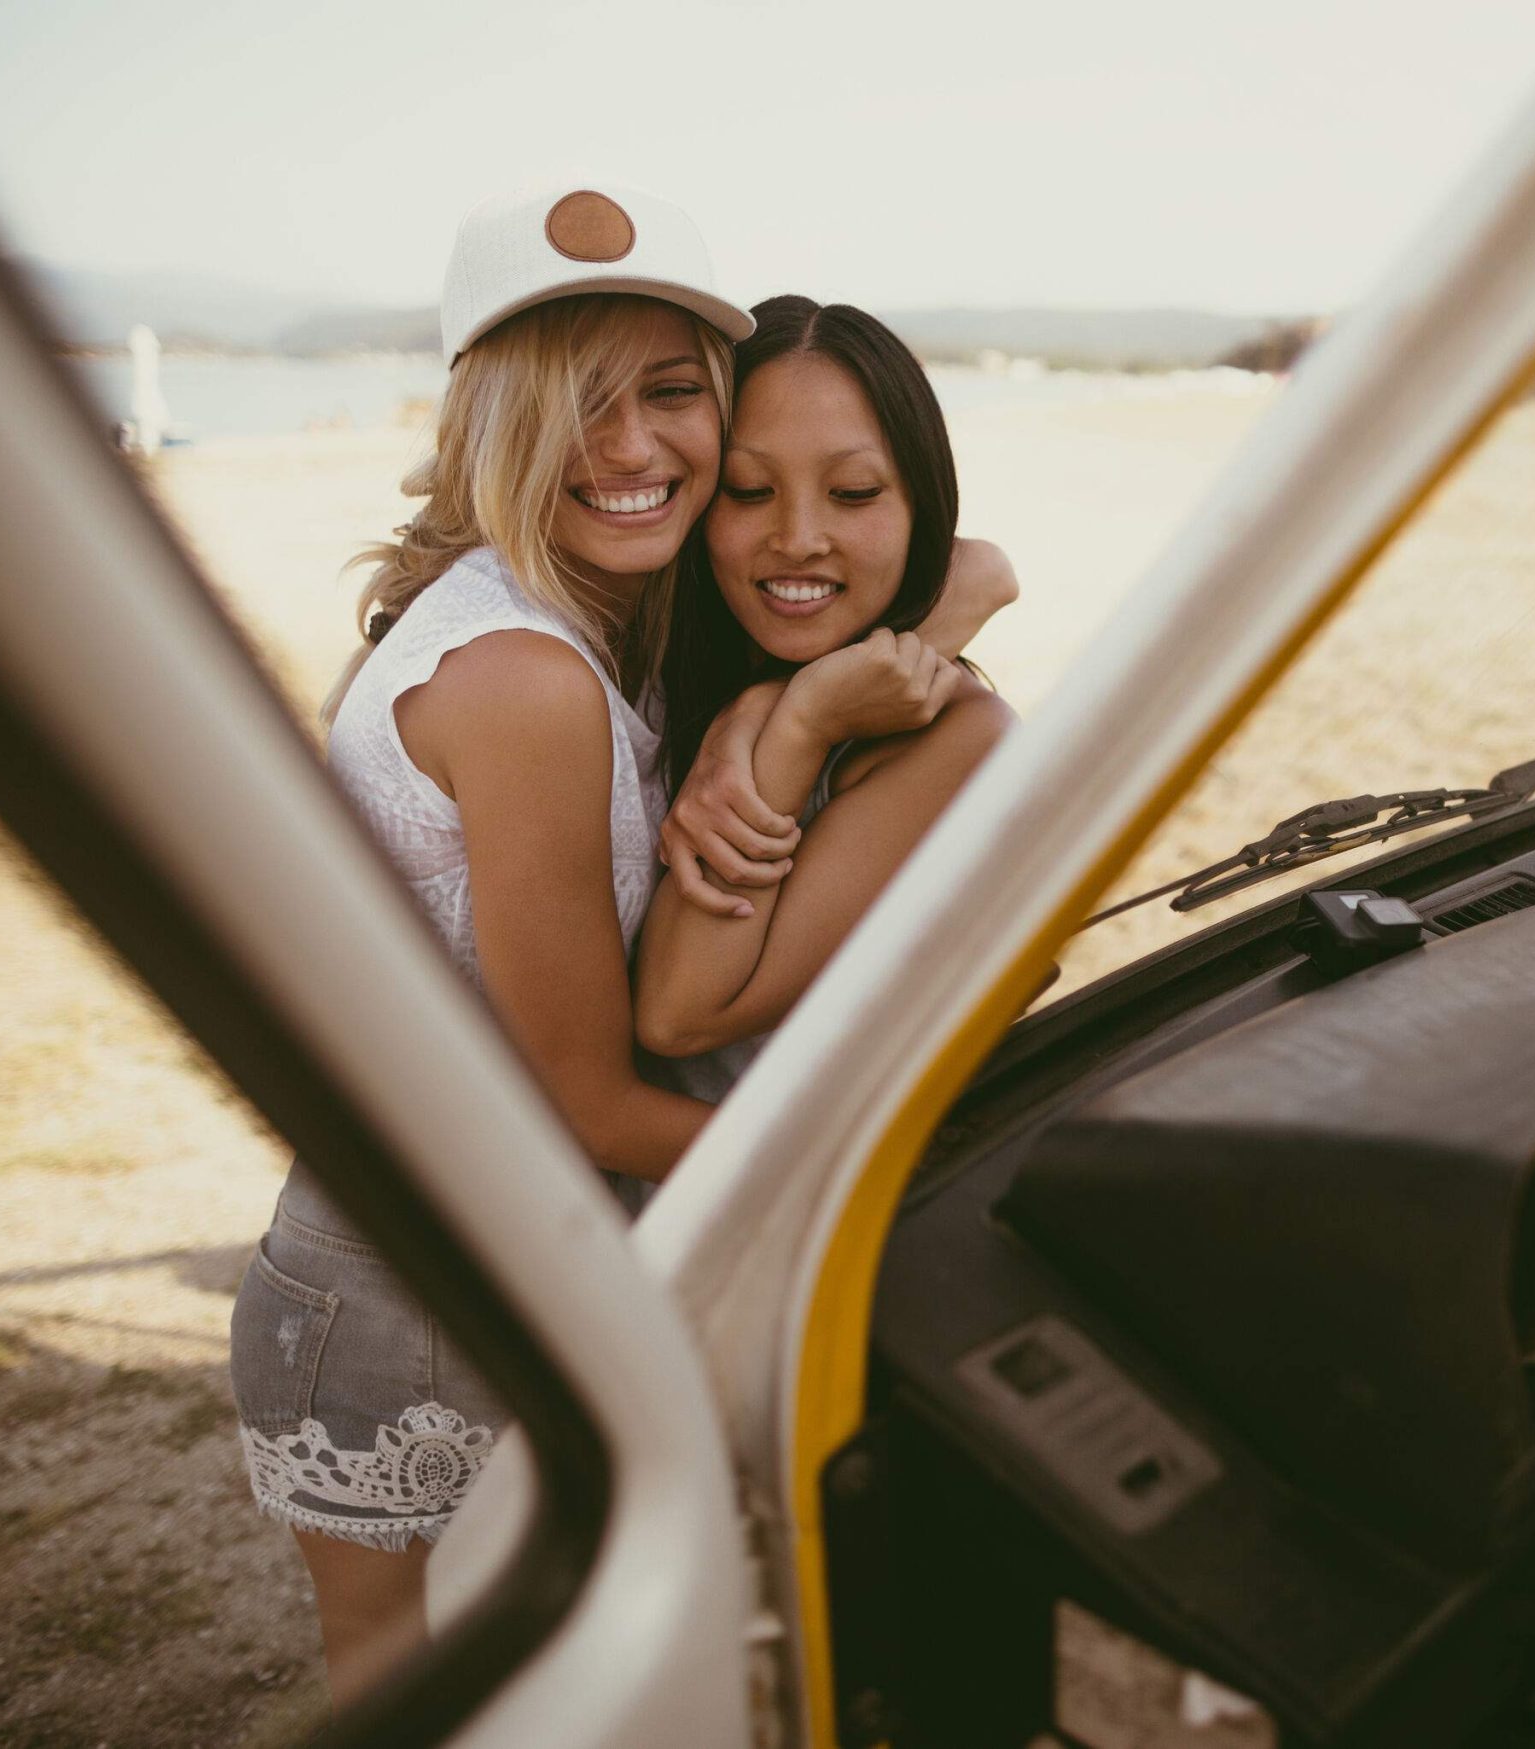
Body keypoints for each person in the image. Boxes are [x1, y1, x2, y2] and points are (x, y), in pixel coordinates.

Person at [225, 188, 1009, 1708]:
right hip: (415, 1286)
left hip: (499, 1251)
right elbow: (589, 1100)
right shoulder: (527, 677)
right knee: (446, 1697)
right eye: (577, 398)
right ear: (489, 415)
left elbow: (919, 539)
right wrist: (864, 1206)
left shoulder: (589, 613)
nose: (635, 447)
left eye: (668, 393)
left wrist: (931, 610)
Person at [632, 295, 1017, 1069]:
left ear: (923, 505)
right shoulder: (660, 650)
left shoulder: (959, 740)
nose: (798, 539)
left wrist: (803, 719)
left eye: (854, 493)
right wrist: (771, 700)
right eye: (747, 489)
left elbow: (679, 1015)